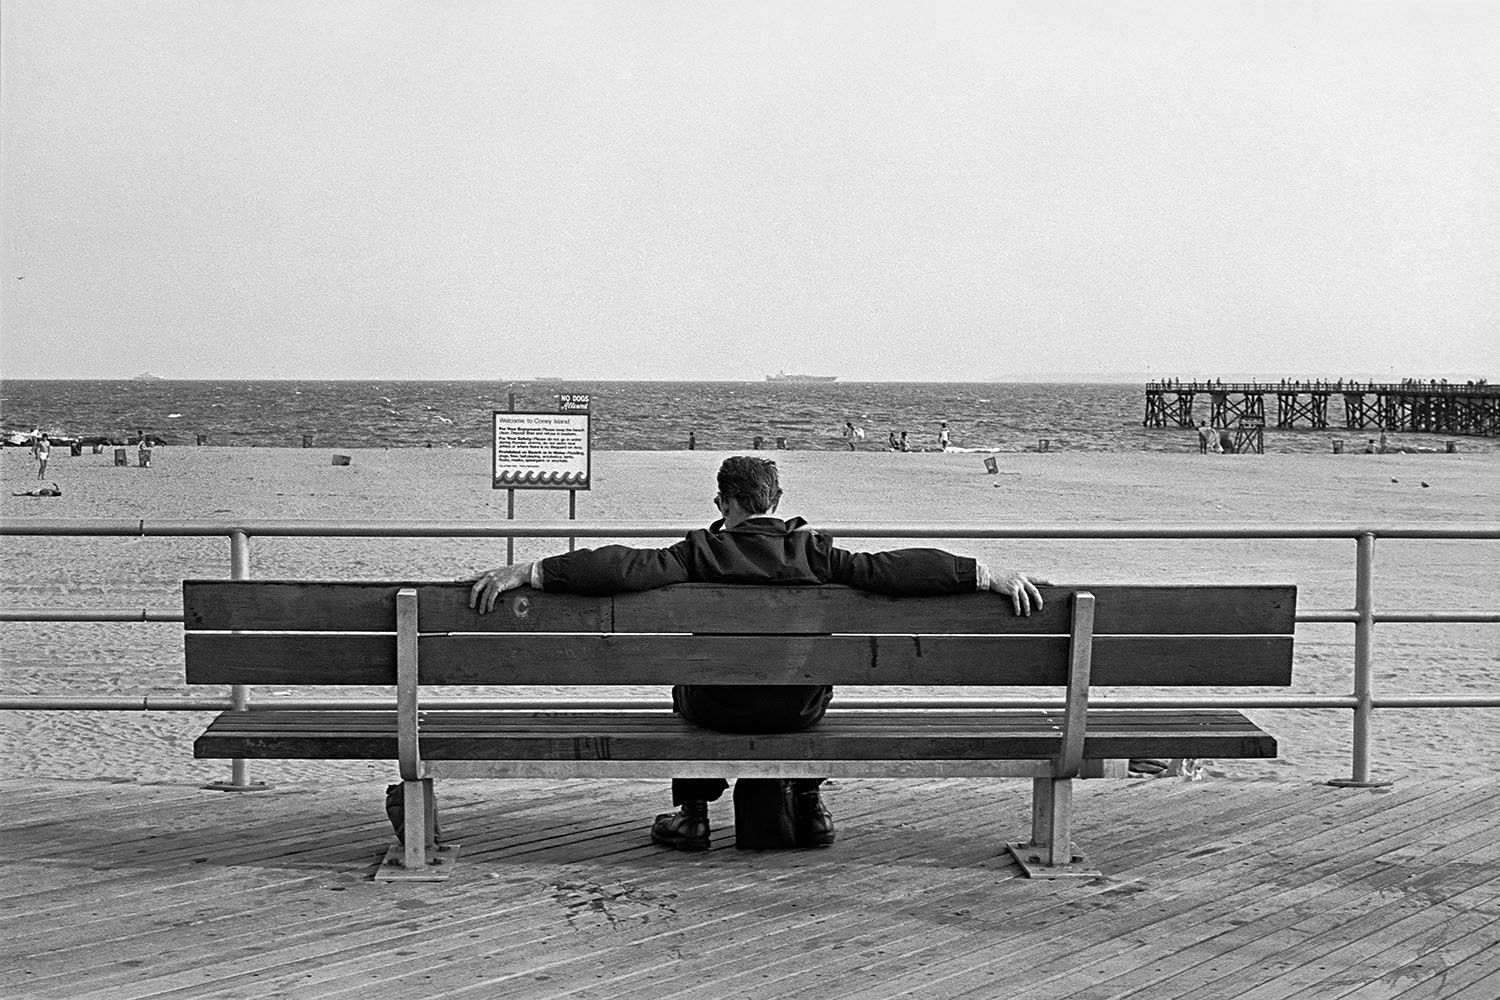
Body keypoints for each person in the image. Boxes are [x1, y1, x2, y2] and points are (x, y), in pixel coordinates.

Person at [467, 456, 1048, 852]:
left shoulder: (700, 552)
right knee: (807, 680)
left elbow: (620, 565)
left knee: (685, 690)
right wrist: (983, 573)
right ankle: (811, 803)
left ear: (725, 502)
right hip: (799, 711)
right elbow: (894, 569)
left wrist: (533, 571)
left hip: (716, 708)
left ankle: (693, 815)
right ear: (777, 500)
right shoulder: (815, 553)